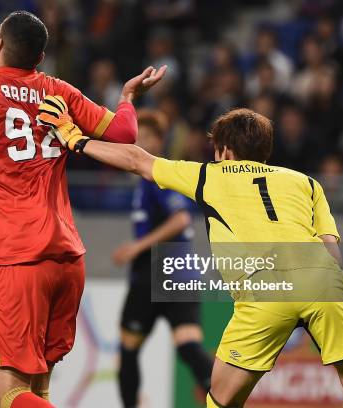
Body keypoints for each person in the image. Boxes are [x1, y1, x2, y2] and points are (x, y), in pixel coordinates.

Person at [0, 11, 166, 408]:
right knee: (37, 385)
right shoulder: (59, 91)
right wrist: (126, 100)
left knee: (8, 391)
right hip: (68, 257)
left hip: (20, 258)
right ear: (39, 59)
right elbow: (124, 134)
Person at [39, 104, 343, 408]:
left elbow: (137, 160)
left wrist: (76, 139)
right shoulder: (306, 182)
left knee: (221, 400)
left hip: (263, 290)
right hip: (325, 284)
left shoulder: (210, 175)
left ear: (223, 151)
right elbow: (333, 251)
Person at [112, 110, 212, 407]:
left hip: (157, 269)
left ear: (160, 140)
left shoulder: (160, 174)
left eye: (146, 136)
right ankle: (223, 397)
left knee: (128, 350)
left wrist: (136, 247)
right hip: (181, 271)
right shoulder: (153, 177)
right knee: (188, 344)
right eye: (136, 136)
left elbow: (181, 219)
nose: (139, 142)